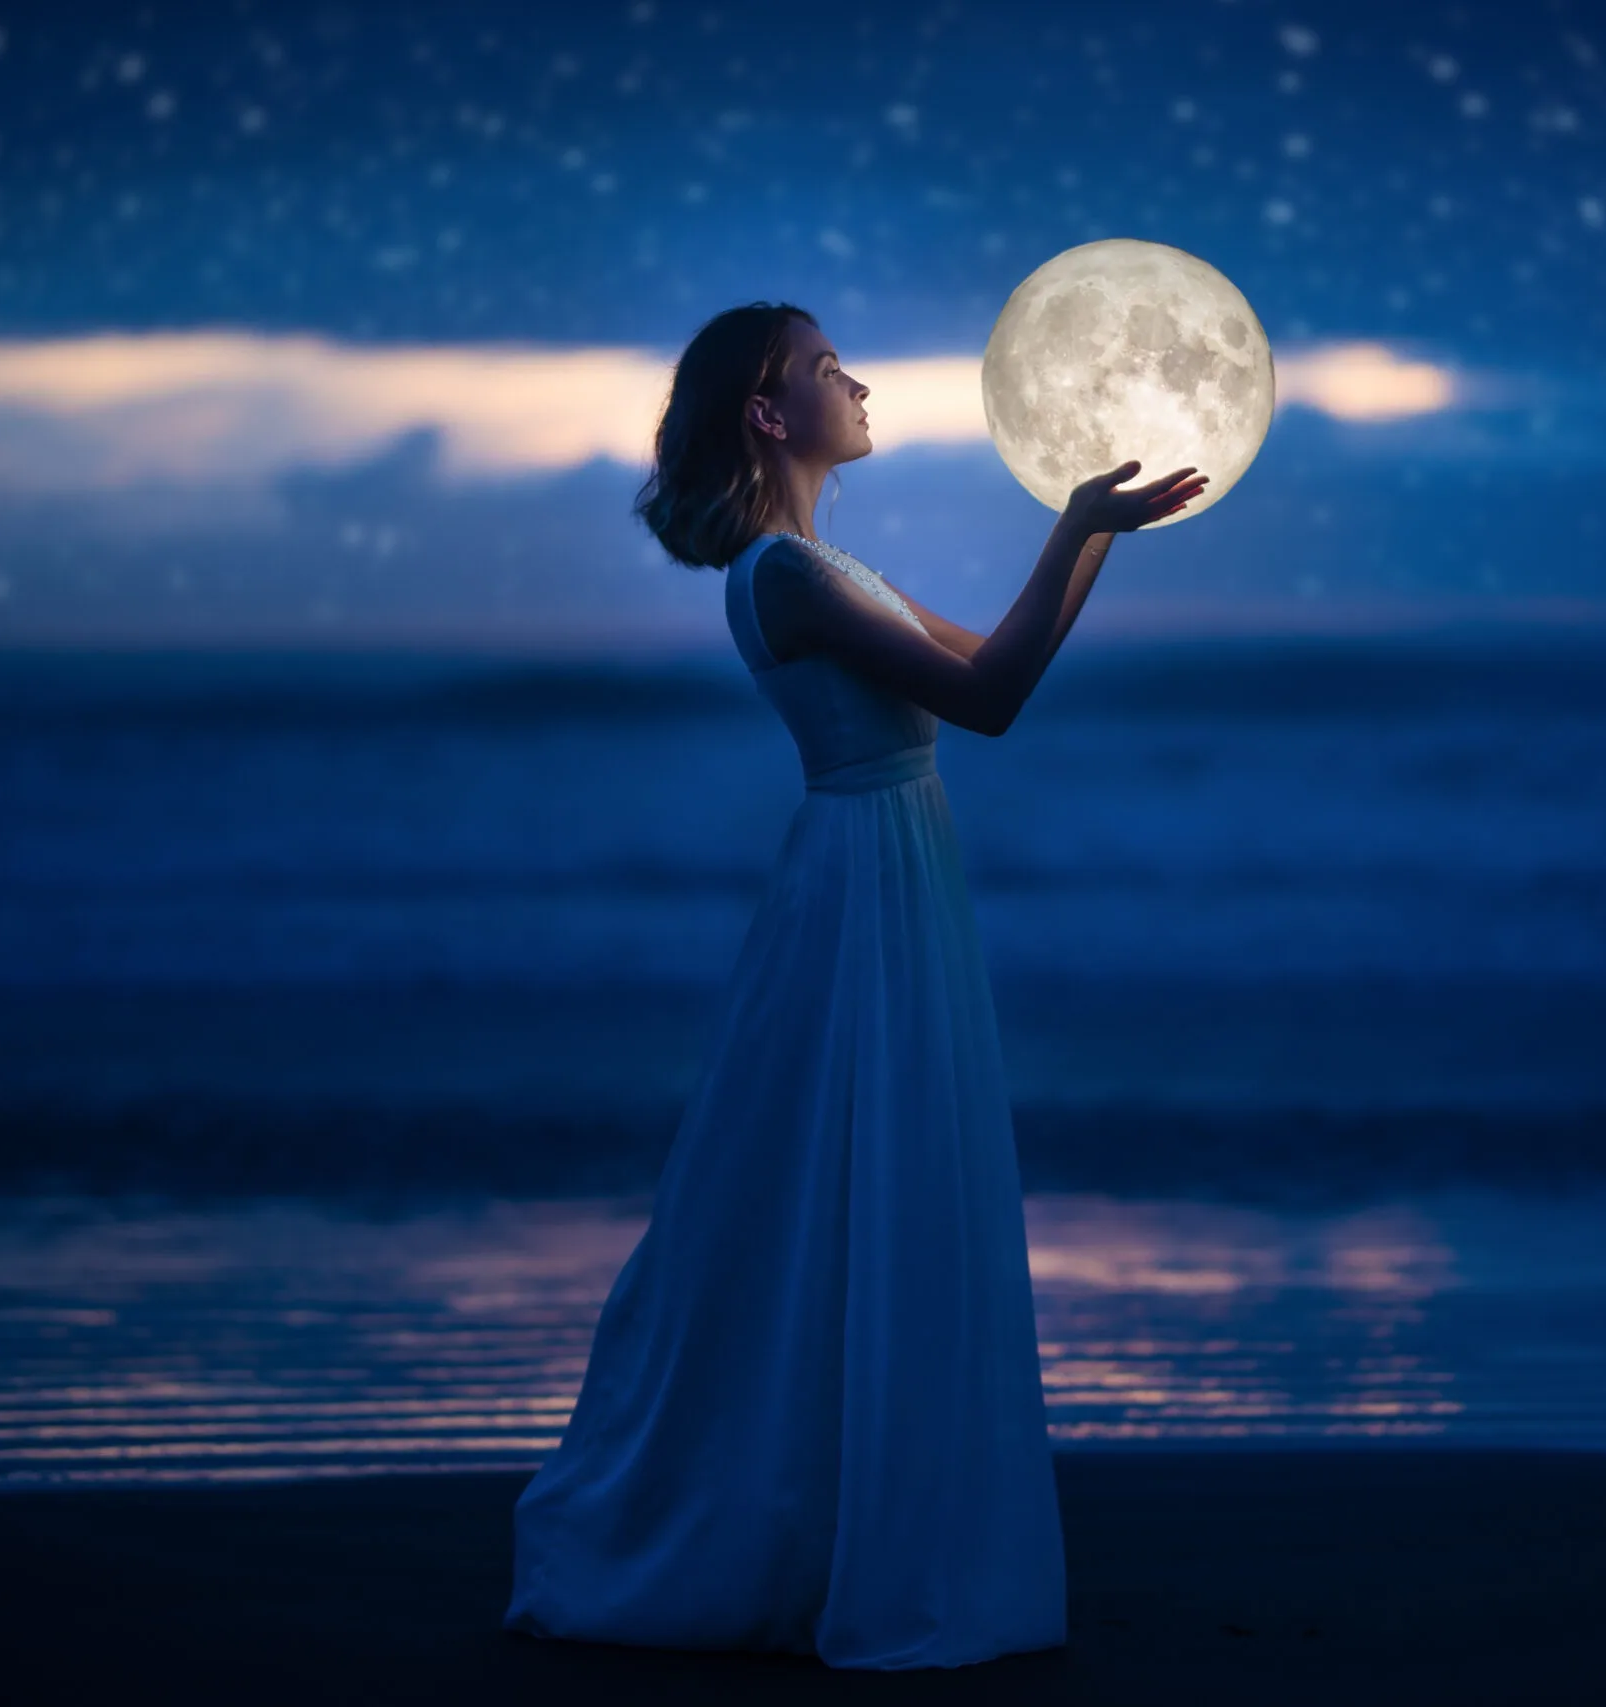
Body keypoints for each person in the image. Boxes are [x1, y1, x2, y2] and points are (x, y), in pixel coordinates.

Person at [501, 300, 1204, 1670]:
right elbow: (991, 698)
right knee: (851, 1181)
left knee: (867, 1180)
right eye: (830, 367)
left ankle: (838, 1509)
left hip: (885, 864)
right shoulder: (787, 577)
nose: (859, 381)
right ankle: (795, 1521)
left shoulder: (831, 569)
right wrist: (1075, 524)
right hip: (864, 875)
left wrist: (1093, 533)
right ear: (769, 413)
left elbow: (997, 671)